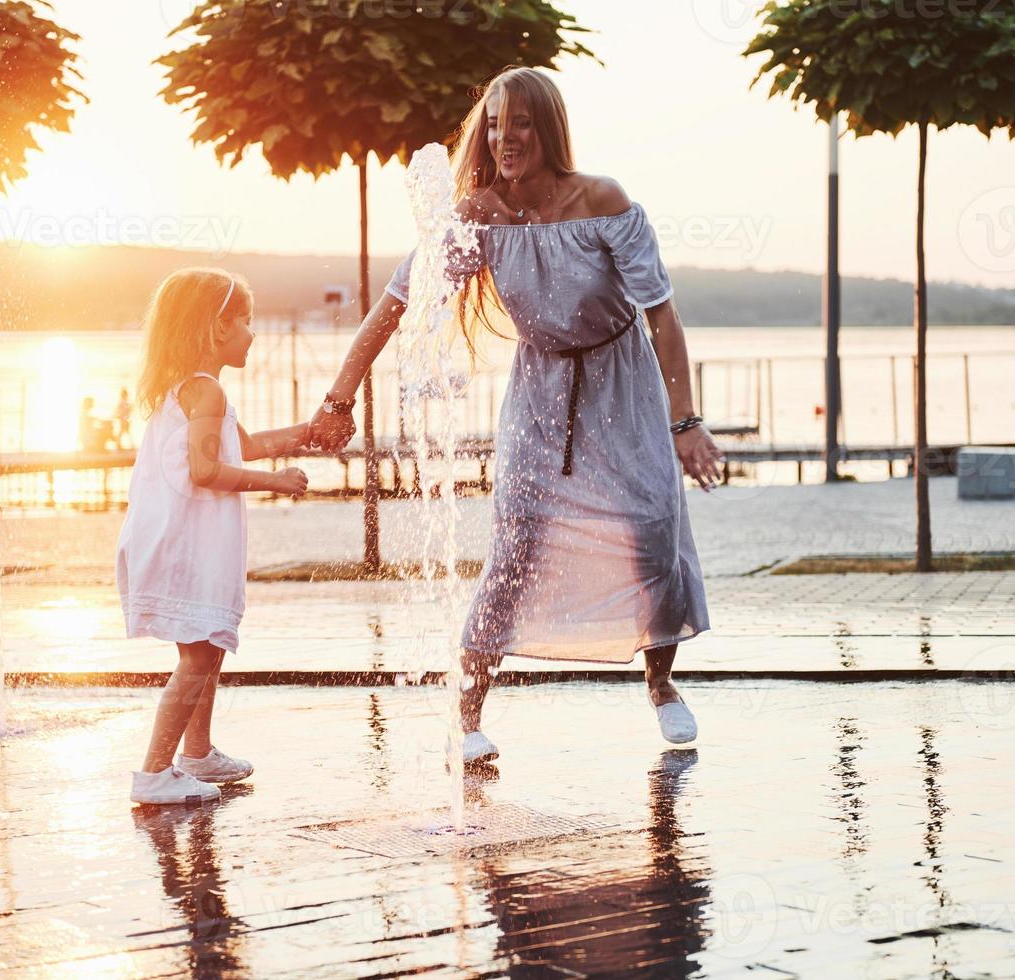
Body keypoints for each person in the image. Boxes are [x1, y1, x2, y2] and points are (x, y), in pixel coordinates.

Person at [309, 67, 725, 763]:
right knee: (516, 544)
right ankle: (466, 715)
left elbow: (663, 315)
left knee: (652, 528)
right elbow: (394, 305)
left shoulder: (603, 202)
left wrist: (686, 423)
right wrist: (338, 397)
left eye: (522, 123)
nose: (506, 137)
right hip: (539, 390)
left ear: (550, 128)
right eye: (496, 124)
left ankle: (660, 684)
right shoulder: (478, 216)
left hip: (622, 381)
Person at [117, 268, 311, 805]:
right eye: (245, 321)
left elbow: (242, 446)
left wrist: (310, 433)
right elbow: (207, 472)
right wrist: (276, 482)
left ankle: (197, 753)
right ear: (216, 328)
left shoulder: (193, 391)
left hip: (181, 541)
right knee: (197, 659)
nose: (253, 333)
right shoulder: (207, 392)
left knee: (207, 647)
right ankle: (154, 773)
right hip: (188, 547)